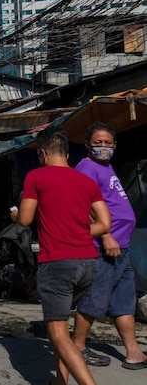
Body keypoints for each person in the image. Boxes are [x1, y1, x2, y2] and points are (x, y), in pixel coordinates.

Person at [15, 129, 111, 385]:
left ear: (42, 153)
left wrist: (15, 216)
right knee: (59, 329)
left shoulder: (35, 176)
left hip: (57, 262)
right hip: (88, 264)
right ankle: (60, 384)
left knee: (57, 332)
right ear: (67, 154)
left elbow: (25, 219)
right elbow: (104, 224)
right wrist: (78, 231)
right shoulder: (87, 182)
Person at [72, 123, 147, 370]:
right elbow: (80, 207)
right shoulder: (86, 168)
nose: (102, 147)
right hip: (104, 247)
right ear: (87, 145)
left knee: (124, 303)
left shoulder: (106, 167)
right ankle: (78, 348)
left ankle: (134, 353)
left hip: (122, 248)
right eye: (97, 142)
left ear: (114, 145)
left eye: (107, 143)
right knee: (94, 300)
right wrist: (105, 235)